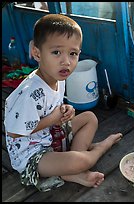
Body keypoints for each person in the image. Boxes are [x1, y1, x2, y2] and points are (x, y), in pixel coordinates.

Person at [4, 14, 122, 192]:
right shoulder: (30, 93)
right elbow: (14, 132)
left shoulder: (58, 76)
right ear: (37, 53)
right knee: (83, 161)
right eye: (56, 52)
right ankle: (100, 148)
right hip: (32, 154)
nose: (66, 61)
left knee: (90, 117)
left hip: (51, 135)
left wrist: (66, 110)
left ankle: (69, 168)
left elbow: (54, 110)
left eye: (72, 53)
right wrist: (53, 119)